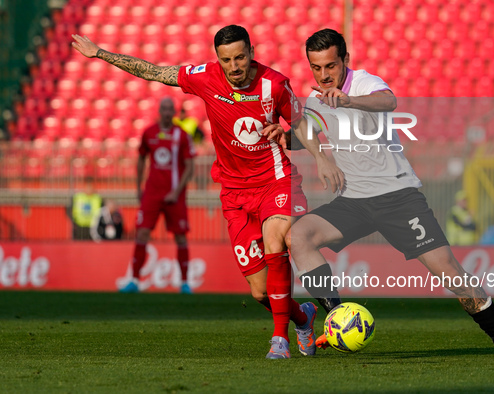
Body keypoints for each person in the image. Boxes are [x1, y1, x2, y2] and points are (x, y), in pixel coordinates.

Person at [72, 25, 342, 359]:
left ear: (252, 51)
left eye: (240, 56)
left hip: (275, 181)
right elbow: (154, 72)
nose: (234, 66)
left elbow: (302, 124)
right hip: (233, 192)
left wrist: (322, 159)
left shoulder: (275, 83)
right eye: (226, 59)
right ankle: (303, 319)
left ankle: (279, 340)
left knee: (277, 240)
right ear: (218, 59)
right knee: (260, 293)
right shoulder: (204, 77)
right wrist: (100, 53)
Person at [287, 29, 494, 360]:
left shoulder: (363, 83)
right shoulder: (317, 99)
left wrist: (348, 100)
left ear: (345, 60)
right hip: (355, 200)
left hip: (398, 196)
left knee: (450, 271)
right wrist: (290, 137)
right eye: (316, 68)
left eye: (330, 66)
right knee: (298, 237)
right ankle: (337, 320)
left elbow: (389, 101)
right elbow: (307, 133)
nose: (323, 75)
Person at [119, 97, 196, 294]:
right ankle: (134, 280)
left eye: (171, 109)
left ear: (175, 112)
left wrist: (176, 191)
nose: (168, 112)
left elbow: (189, 166)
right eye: (165, 109)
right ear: (159, 111)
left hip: (174, 195)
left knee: (180, 236)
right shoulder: (149, 132)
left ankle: (185, 283)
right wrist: (138, 188)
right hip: (152, 193)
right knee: (142, 232)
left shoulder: (182, 135)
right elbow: (141, 158)